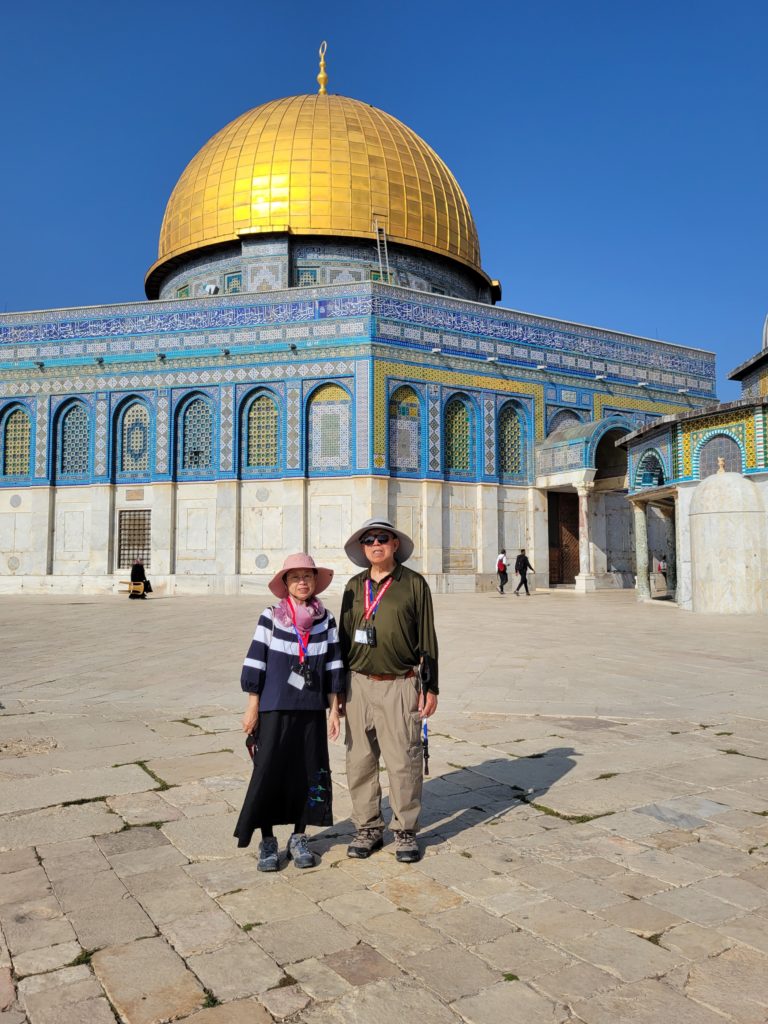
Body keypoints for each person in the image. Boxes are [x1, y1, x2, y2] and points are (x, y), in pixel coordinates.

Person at [234, 554, 344, 871]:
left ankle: (299, 836)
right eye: (295, 577)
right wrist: (252, 707)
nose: (302, 582)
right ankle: (267, 840)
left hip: (311, 708)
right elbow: (256, 659)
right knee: (268, 770)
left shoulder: (326, 620)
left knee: (308, 771)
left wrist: (333, 710)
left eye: (307, 576)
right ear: (285, 583)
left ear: (315, 581)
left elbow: (334, 665)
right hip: (275, 705)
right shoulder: (271, 616)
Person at [339, 518, 438, 864]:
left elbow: (427, 637)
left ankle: (405, 830)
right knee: (359, 761)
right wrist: (337, 690)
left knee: (403, 761)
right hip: (357, 684)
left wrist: (431, 687)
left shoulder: (413, 583)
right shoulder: (354, 586)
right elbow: (342, 640)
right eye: (369, 540)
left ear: (395, 544)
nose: (376, 544)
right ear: (362, 548)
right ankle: (367, 827)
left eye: (383, 538)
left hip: (399, 683)